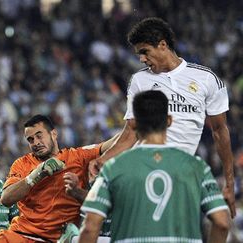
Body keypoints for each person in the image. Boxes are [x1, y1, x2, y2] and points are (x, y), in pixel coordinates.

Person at [92, 17, 235, 217]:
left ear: (162, 45)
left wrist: (229, 183)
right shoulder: (140, 80)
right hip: (143, 170)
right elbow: (131, 130)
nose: (141, 59)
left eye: (144, 52)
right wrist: (103, 159)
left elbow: (220, 131)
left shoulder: (206, 79)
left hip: (181, 173)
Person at [78, 90, 231, 242]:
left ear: (133, 123)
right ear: (169, 120)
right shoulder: (196, 166)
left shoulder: (113, 168)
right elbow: (222, 222)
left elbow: (90, 227)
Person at [0, 114, 115, 243]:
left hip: (59, 239)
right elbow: (6, 199)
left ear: (54, 134)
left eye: (39, 136)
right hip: (22, 235)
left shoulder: (77, 157)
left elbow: (117, 143)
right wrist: (37, 174)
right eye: (30, 140)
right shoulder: (22, 164)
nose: (36, 143)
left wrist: (133, 119)